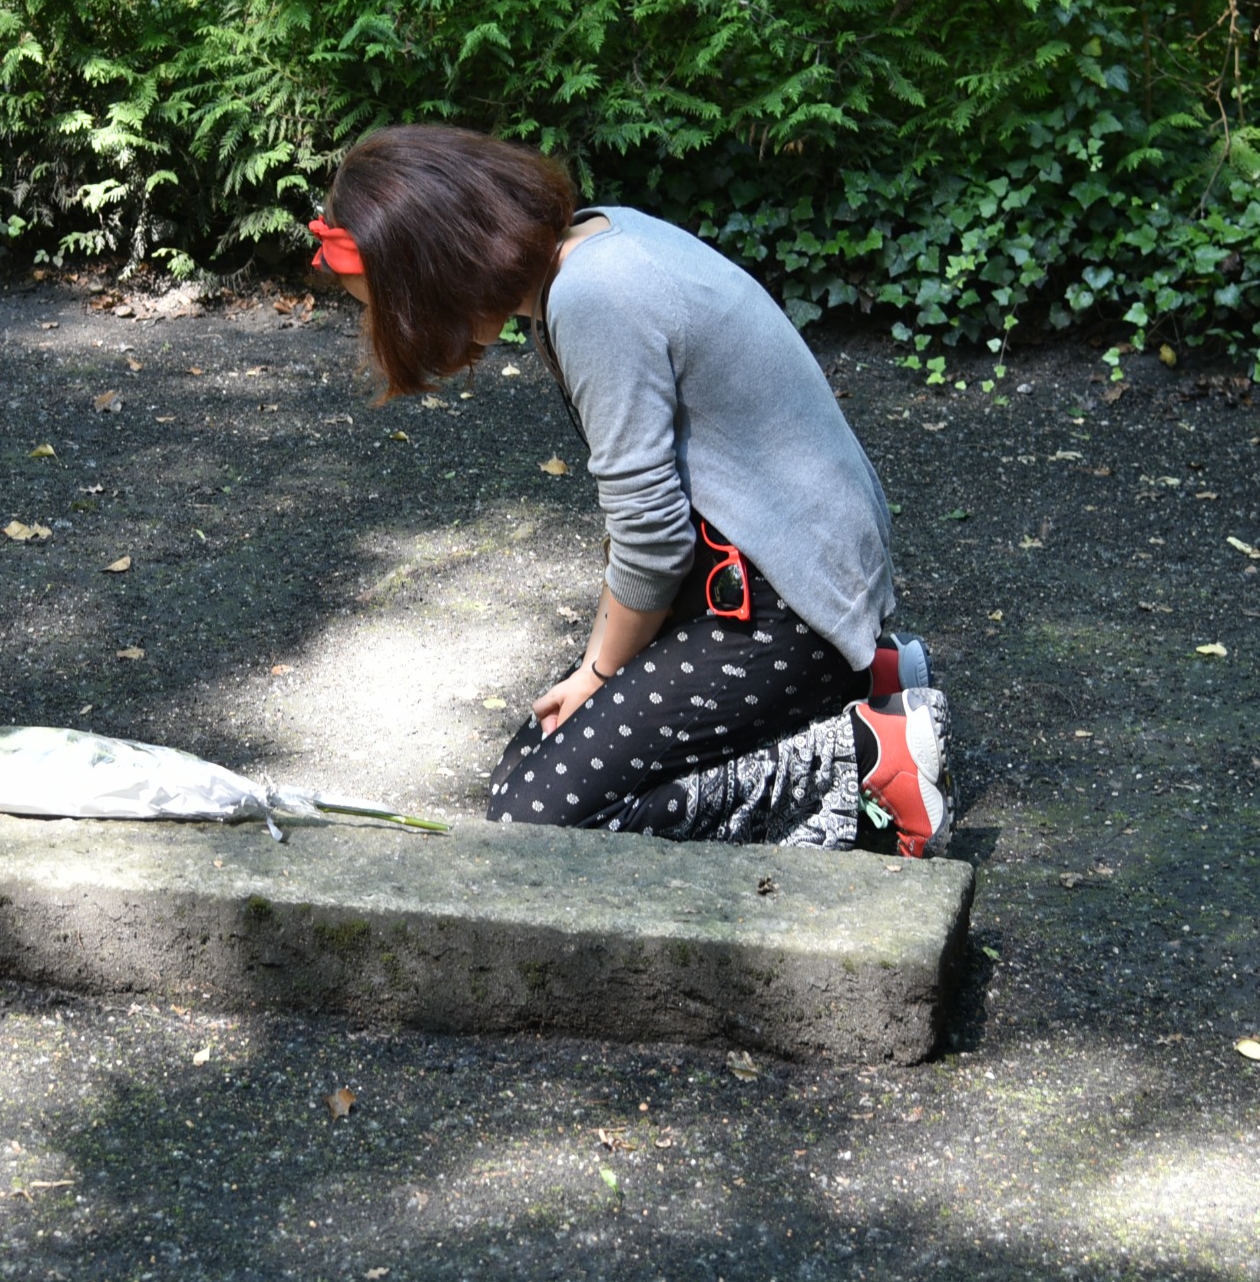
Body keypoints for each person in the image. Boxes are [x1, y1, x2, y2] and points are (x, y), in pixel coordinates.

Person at [306, 124, 953, 856]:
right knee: (526, 767)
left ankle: (860, 756)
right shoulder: (595, 246)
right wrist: (593, 673)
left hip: (782, 605)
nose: (389, 327)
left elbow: (651, 535)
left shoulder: (593, 297)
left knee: (538, 823)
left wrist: (599, 670)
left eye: (387, 304)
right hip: (787, 573)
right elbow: (648, 505)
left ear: (438, 268)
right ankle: (868, 675)